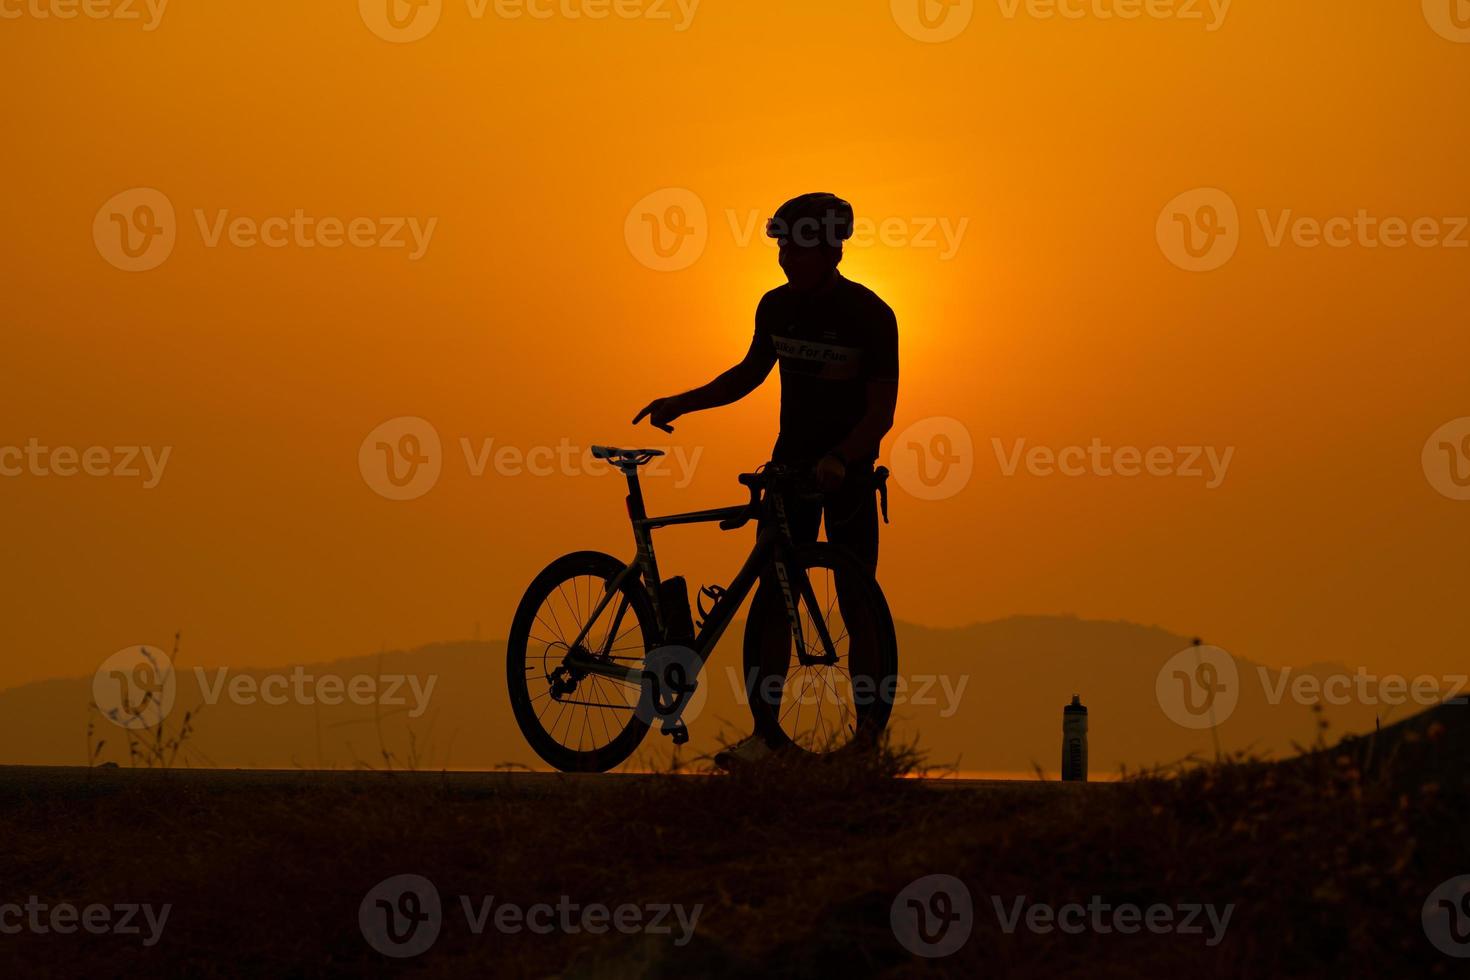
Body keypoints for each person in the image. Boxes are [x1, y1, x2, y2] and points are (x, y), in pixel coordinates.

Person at [633, 192, 899, 764]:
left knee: (858, 604)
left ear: (830, 250)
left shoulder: (871, 316)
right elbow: (749, 374)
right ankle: (767, 737)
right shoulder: (775, 306)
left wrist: (841, 458)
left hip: (845, 476)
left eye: (795, 248)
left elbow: (881, 414)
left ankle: (868, 745)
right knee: (773, 604)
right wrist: (683, 402)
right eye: (779, 246)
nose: (784, 259)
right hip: (786, 471)